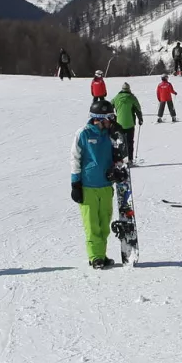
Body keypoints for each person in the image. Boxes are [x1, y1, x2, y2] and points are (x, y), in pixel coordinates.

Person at [70, 99, 119, 269]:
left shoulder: (110, 134)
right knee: (92, 224)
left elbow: (118, 154)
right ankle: (95, 256)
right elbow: (75, 159)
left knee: (104, 223)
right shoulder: (83, 133)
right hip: (88, 186)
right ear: (99, 118)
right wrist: (75, 183)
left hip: (106, 185)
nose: (111, 121)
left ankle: (102, 254)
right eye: (109, 117)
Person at [111, 82, 143, 162]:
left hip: (119, 124)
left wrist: (113, 118)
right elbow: (138, 109)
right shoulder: (132, 97)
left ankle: (121, 159)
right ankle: (130, 160)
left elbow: (110, 106)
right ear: (129, 89)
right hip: (130, 124)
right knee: (129, 142)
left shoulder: (116, 97)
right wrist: (140, 119)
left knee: (121, 142)